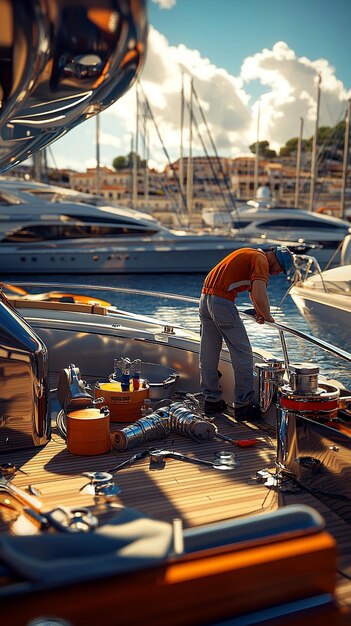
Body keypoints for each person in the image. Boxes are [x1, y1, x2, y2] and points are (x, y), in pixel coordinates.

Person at [199, 246, 294, 419]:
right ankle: (243, 406)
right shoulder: (261, 260)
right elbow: (259, 294)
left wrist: (259, 312)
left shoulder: (250, 253)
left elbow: (253, 295)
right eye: (280, 269)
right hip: (221, 302)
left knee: (208, 354)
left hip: (205, 299)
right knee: (242, 354)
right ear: (277, 260)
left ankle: (212, 401)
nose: (277, 273)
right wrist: (268, 317)